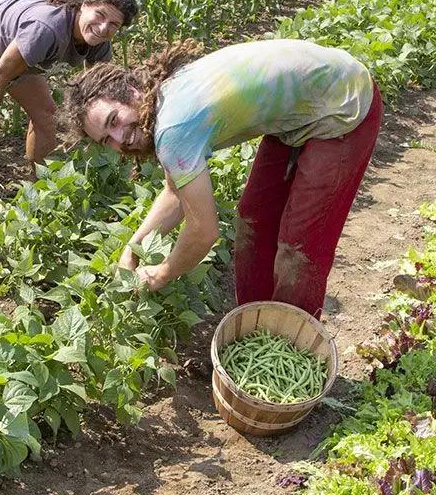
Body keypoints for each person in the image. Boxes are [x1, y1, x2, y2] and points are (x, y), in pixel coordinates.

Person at [57, 38, 383, 319]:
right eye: (107, 139)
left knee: (299, 245)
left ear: (131, 92)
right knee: (254, 219)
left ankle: (292, 341)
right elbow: (174, 194)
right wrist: (132, 250)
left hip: (344, 105)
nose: (120, 138)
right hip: (302, 110)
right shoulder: (161, 100)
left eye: (114, 120)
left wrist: (161, 273)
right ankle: (253, 324)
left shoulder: (172, 128)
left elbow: (204, 231)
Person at [0, 0, 138, 181]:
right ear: (85, 4)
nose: (103, 28)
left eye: (114, 24)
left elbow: (102, 92)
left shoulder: (99, 41)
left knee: (46, 117)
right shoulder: (47, 29)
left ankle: (40, 186)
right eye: (100, 15)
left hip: (10, 58)